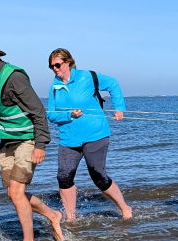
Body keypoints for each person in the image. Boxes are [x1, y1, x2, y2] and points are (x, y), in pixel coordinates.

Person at [0, 37, 64, 241]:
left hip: (28, 139)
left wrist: (40, 145)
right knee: (12, 193)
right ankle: (53, 215)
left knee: (18, 191)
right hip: (7, 140)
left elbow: (38, 110)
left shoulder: (14, 78)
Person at [45, 48, 133, 222]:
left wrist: (119, 108)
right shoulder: (54, 87)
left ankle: (125, 208)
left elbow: (113, 84)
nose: (55, 69)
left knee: (98, 177)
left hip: (96, 135)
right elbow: (51, 114)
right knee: (63, 177)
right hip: (68, 139)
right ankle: (71, 218)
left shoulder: (87, 77)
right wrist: (69, 115)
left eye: (57, 65)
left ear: (68, 62)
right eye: (51, 66)